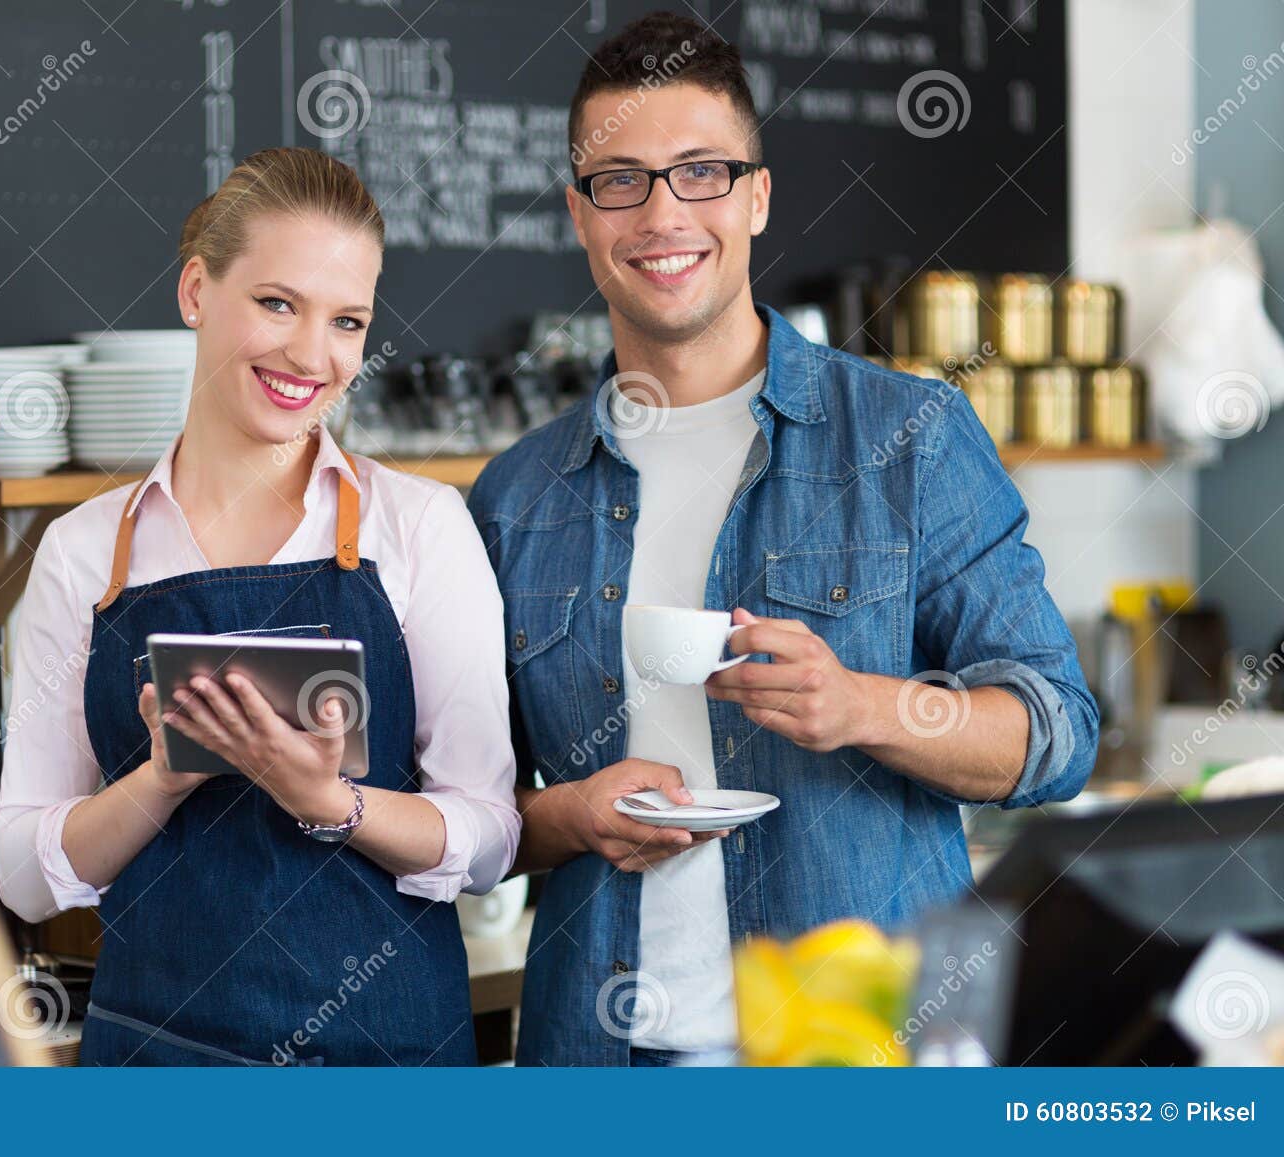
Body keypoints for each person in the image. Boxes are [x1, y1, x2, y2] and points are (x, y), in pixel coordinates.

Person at [466, 13, 1098, 1067]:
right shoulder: (516, 496)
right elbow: (469, 817)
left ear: (757, 194)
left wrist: (862, 704)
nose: (662, 211)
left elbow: (1054, 732)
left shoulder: (910, 439)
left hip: (856, 1052)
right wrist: (572, 814)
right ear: (580, 216)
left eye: (699, 171)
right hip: (601, 1058)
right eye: (619, 179)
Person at [0, 147, 519, 1066]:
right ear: (197, 290)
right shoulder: (86, 553)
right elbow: (21, 873)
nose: (311, 355)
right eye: (277, 303)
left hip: (384, 1060)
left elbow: (487, 835)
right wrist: (160, 779)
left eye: (347, 320)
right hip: (156, 1062)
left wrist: (329, 799)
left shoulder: (420, 526)